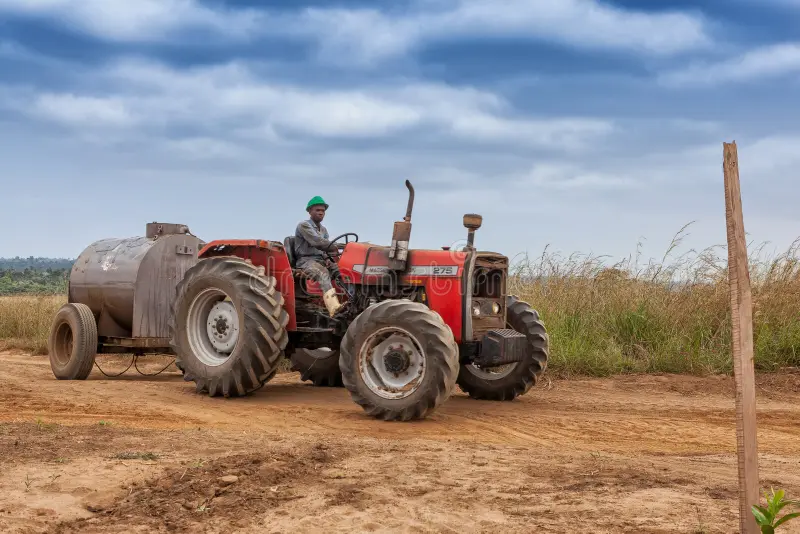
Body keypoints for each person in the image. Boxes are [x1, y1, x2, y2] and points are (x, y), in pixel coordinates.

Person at [294, 196, 346, 317]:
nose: (321, 213)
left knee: (342, 271)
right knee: (323, 273)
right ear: (310, 211)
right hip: (306, 261)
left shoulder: (323, 229)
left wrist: (328, 259)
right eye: (317, 210)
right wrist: (338, 246)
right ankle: (334, 308)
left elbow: (325, 249)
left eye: (323, 211)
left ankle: (352, 302)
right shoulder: (304, 225)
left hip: (320, 260)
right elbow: (317, 242)